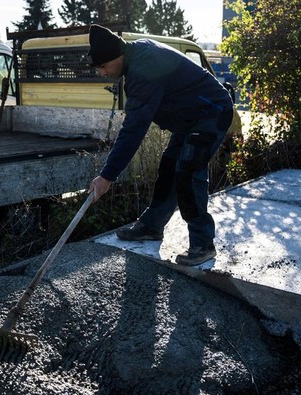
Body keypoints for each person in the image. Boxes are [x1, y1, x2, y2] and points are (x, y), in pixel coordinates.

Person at [86, 24, 234, 266]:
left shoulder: (144, 68)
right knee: (168, 168)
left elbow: (133, 129)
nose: (102, 73)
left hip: (211, 113)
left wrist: (107, 176)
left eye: (103, 66)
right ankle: (152, 226)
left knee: (187, 171)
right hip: (189, 119)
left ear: (117, 56)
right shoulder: (136, 55)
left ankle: (203, 244)